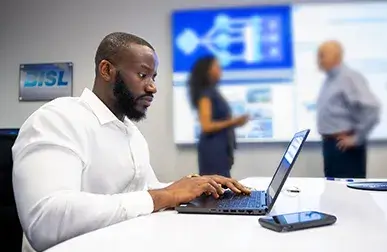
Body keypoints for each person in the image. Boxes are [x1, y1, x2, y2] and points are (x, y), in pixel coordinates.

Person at [12, 32, 251, 252]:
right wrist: (164, 195)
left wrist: (194, 186)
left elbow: (147, 192)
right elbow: (44, 222)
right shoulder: (56, 119)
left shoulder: (131, 132)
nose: (152, 87)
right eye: (142, 74)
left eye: (153, 76)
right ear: (106, 70)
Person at [316, 40, 380, 178]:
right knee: (333, 192)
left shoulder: (349, 77)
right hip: (331, 146)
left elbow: (372, 108)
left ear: (336, 56)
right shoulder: (330, 79)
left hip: (344, 148)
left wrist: (356, 138)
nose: (318, 60)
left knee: (349, 196)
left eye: (322, 55)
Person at [188, 55, 249, 178]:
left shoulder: (213, 92)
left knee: (222, 185)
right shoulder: (205, 94)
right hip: (213, 149)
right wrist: (234, 122)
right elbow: (206, 126)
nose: (220, 69)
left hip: (221, 147)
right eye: (217, 66)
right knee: (217, 188)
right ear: (208, 71)